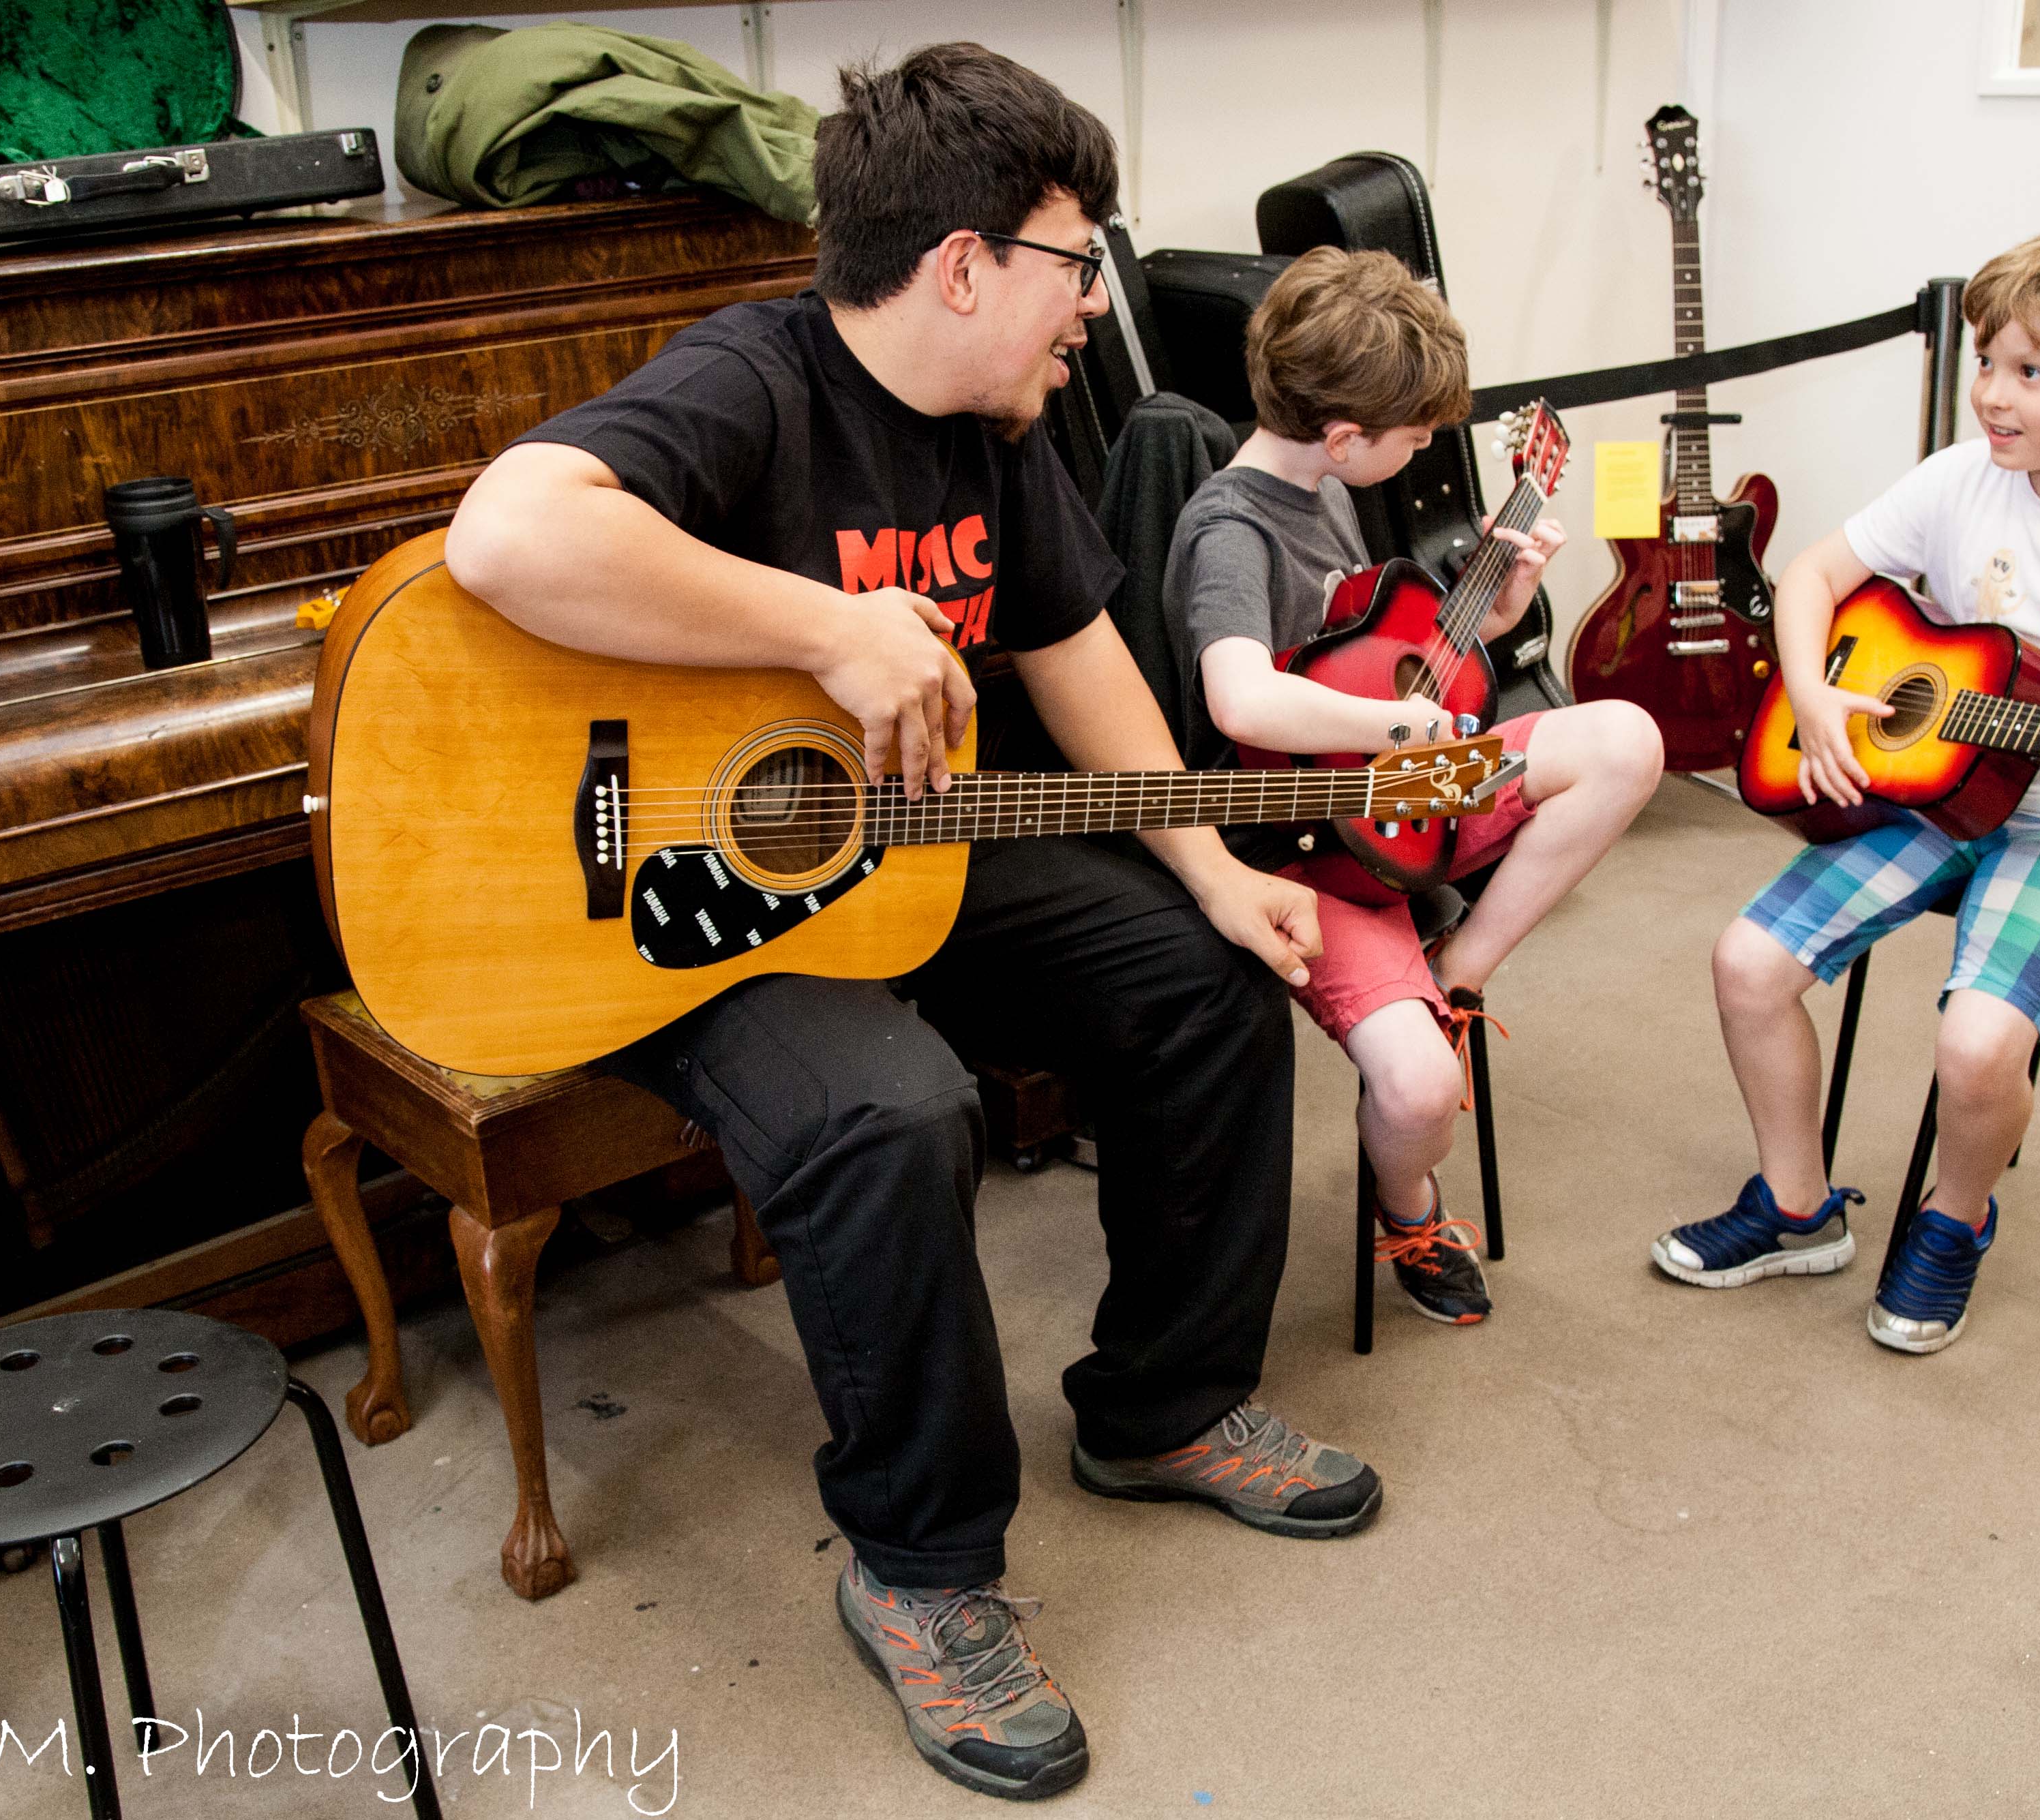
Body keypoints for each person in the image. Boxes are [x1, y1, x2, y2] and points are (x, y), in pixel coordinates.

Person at [444, 44, 1384, 1804]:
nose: (1092, 304)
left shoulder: (995, 430)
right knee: (892, 1112)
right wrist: (823, 626)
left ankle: (1162, 1400)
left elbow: (1076, 650)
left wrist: (1208, 858)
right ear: (962, 266)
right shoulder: (754, 380)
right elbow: (505, 533)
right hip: (683, 912)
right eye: (1072, 261)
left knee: (1201, 973)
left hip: (906, 858)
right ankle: (922, 1566)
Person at [1652, 218, 2040, 1354]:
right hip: (1937, 791)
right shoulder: (1964, 477)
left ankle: (1953, 1220)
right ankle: (1795, 1207)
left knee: (1976, 1045)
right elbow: (1817, 572)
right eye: (1986, 365)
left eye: (2031, 372)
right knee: (1747, 962)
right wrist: (1814, 693)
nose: (1993, 398)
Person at [1167, 247, 1663, 1326]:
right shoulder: (1229, 529)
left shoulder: (1328, 488)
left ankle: (1457, 973)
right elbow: (1243, 699)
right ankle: (1410, 1204)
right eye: (1416, 433)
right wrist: (1400, 724)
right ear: (1344, 434)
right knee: (1418, 1091)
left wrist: (1488, 612)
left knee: (1624, 738)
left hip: (1398, 794)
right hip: (1303, 853)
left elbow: (1379, 655)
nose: (1427, 446)